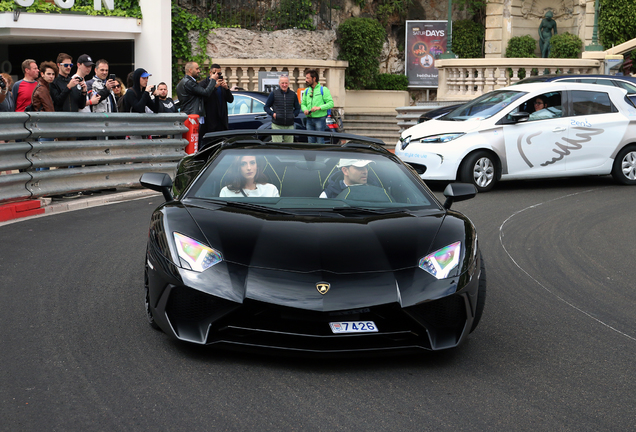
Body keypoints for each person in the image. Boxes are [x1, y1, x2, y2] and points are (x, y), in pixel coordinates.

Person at [198, 63, 234, 137]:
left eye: (219, 73)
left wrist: (226, 89)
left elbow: (230, 100)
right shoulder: (203, 84)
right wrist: (214, 87)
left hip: (222, 120)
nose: (217, 75)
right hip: (210, 121)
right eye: (215, 73)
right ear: (210, 73)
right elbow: (203, 99)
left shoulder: (221, 84)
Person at [264, 74, 301, 142]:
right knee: (277, 147)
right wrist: (273, 114)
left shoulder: (293, 95)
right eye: (282, 83)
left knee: (289, 147)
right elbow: (266, 107)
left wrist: (293, 115)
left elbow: (297, 108)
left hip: (289, 125)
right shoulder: (274, 94)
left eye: (286, 83)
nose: (284, 85)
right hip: (277, 125)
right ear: (279, 83)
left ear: (289, 83)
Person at [301, 69, 334, 144]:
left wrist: (319, 107)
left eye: (308, 78)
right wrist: (305, 109)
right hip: (309, 119)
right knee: (310, 141)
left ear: (314, 78)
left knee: (320, 140)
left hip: (320, 119)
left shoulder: (323, 90)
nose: (306, 80)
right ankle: (311, 156)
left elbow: (331, 103)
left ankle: (320, 156)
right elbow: (303, 104)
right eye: (306, 78)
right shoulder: (306, 91)